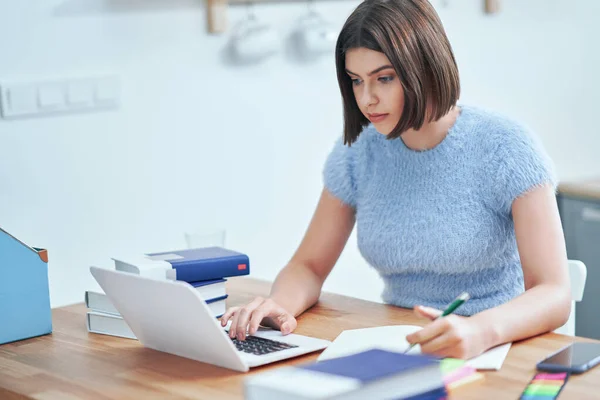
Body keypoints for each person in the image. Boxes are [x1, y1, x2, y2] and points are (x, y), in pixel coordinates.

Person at [220, 0, 571, 360]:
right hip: (405, 345)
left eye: (384, 78)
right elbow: (308, 266)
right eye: (356, 81)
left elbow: (554, 292)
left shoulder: (506, 147)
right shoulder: (360, 152)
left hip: (497, 347)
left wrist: (479, 330)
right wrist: (278, 305)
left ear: (425, 66)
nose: (367, 99)